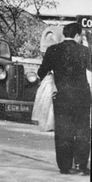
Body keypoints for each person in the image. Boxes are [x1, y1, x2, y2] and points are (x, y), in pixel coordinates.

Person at [37, 23, 92, 175]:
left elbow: (41, 72)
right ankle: (82, 165)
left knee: (62, 131)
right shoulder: (84, 51)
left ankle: (64, 166)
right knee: (82, 131)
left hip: (62, 97)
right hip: (82, 97)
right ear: (77, 35)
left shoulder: (52, 50)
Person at [32, 28, 62, 131]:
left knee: (47, 99)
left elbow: (43, 69)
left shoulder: (51, 51)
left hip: (52, 79)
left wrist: (42, 74)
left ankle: (49, 124)